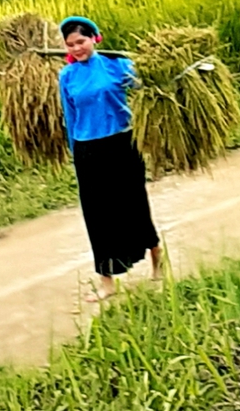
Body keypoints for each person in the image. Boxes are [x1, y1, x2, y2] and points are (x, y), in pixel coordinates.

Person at [55, 15, 164, 297]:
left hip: (122, 143)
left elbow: (150, 88)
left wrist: (159, 68)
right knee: (98, 214)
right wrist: (74, 152)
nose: (77, 48)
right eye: (71, 45)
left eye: (81, 41)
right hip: (87, 149)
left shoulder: (118, 65)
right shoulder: (66, 76)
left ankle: (157, 265)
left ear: (94, 38)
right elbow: (70, 116)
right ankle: (107, 283)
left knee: (135, 203)